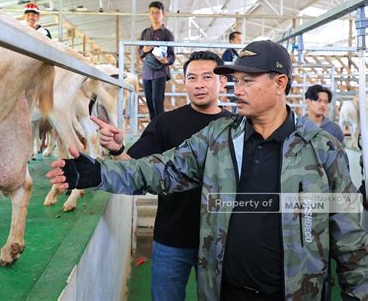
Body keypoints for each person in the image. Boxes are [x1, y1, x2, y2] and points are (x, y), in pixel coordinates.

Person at [48, 40, 367, 301]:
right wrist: (99, 173)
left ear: (279, 82)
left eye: (248, 81)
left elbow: (349, 233)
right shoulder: (219, 137)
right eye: (236, 81)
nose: (237, 90)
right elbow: (163, 171)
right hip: (224, 292)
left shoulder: (321, 148)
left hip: (296, 292)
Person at [91, 51, 230, 301]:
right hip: (172, 237)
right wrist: (117, 149)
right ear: (184, 82)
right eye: (192, 78)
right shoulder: (165, 124)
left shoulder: (236, 127)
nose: (199, 84)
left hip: (220, 241)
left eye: (207, 77)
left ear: (222, 81)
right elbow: (134, 170)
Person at [138, 1, 175, 120]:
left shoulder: (167, 34)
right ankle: (152, 129)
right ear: (149, 14)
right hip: (146, 72)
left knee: (157, 101)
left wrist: (166, 60)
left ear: (163, 14)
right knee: (149, 102)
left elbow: (172, 55)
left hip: (160, 72)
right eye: (152, 13)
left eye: (158, 13)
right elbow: (139, 52)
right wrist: (144, 50)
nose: (155, 15)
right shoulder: (145, 33)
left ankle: (160, 130)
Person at [222, 31, 242, 113]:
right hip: (230, 85)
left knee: (237, 104)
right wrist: (225, 87)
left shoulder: (235, 54)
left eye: (241, 40)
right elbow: (224, 70)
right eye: (238, 40)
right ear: (231, 41)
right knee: (235, 104)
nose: (240, 42)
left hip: (234, 84)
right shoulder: (228, 53)